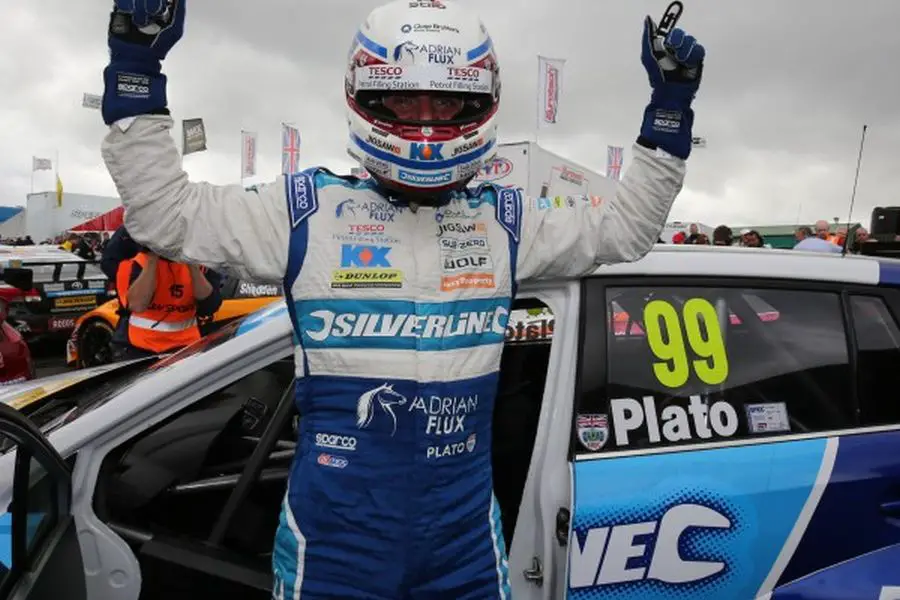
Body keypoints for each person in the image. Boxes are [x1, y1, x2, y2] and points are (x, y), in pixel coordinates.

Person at [99, 0, 705, 596]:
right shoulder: (305, 213)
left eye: (445, 101)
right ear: (366, 98)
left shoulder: (507, 224)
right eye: (403, 97)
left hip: (464, 547)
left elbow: (625, 230)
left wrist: (670, 113)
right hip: (332, 549)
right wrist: (136, 75)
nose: (424, 119)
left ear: (479, 103)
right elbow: (167, 217)